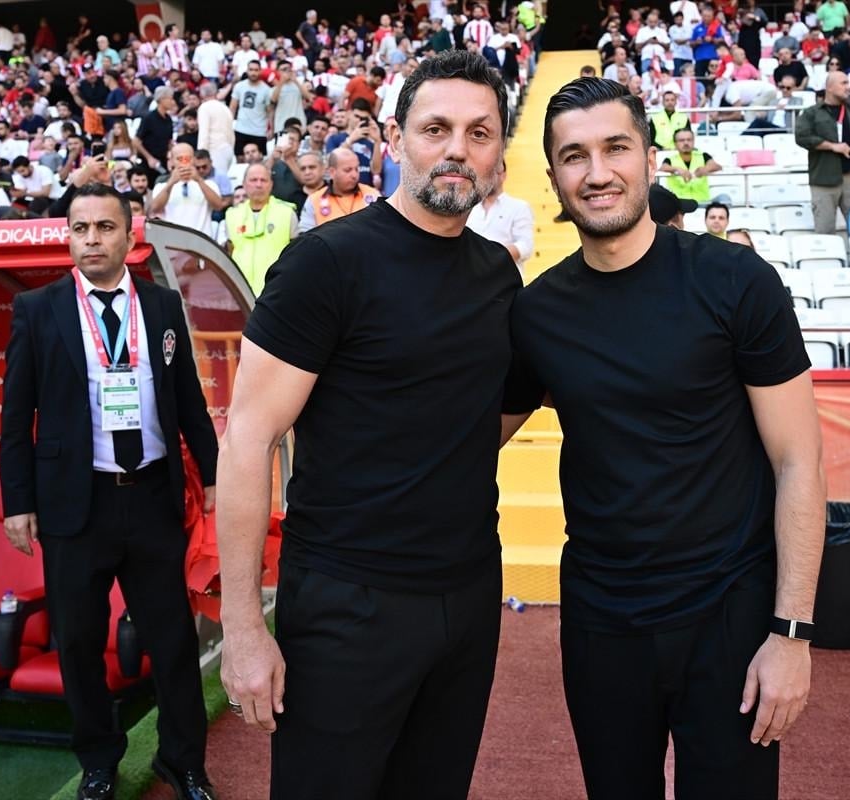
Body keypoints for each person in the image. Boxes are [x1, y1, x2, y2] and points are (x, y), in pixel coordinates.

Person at [501, 77, 823, 800]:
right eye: (575, 156)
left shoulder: (736, 281)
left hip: (729, 613)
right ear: (552, 178)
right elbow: (469, 434)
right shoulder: (538, 313)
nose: (597, 172)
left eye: (615, 148)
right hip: (601, 621)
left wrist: (792, 635)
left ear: (650, 159)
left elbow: (798, 460)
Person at [216, 49, 519, 800]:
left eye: (479, 133)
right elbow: (249, 439)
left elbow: (488, 414)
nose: (458, 149)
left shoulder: (497, 273)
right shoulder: (325, 263)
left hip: (469, 595)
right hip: (348, 601)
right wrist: (244, 627)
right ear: (395, 139)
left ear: (499, 152)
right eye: (437, 129)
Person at [0, 182, 218, 800]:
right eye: (80, 229)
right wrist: (18, 502)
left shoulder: (162, 307)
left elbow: (189, 402)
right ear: (68, 237)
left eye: (104, 227)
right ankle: (99, 761)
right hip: (75, 505)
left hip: (151, 499)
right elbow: (15, 416)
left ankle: (183, 761)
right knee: (78, 642)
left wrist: (217, 477)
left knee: (173, 641)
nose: (91, 239)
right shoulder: (37, 309)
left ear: (128, 235)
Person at [795, 71, 850, 235]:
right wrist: (832, 146)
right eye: (843, 83)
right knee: (825, 229)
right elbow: (801, 137)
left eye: (848, 83)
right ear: (829, 87)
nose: (848, 87)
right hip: (824, 178)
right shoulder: (811, 113)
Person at [225, 162, 297, 296]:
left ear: (271, 184)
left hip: (277, 291)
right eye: (253, 180)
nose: (258, 185)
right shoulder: (232, 215)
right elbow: (230, 250)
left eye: (263, 180)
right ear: (244, 184)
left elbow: (295, 253)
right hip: (240, 292)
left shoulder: (287, 213)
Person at [466, 160, 535, 276]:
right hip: (472, 276)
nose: (490, 176)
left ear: (503, 175)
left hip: (506, 277)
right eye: (486, 172)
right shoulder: (469, 208)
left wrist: (492, 258)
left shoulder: (519, 207)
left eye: (495, 171)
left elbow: (525, 246)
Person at [297, 148, 380, 233]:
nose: (354, 175)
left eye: (356, 169)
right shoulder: (314, 201)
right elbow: (305, 236)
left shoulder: (373, 195)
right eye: (348, 170)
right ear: (332, 172)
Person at [149, 143, 226, 234]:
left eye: (188, 158)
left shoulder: (209, 184)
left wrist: (199, 180)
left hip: (201, 238)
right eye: (180, 159)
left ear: (194, 160)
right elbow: (155, 209)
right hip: (173, 238)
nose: (184, 162)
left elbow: (218, 206)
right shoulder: (161, 186)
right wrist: (171, 183)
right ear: (172, 161)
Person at [658, 128, 720, 206]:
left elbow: (716, 166)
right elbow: (663, 168)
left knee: (724, 198)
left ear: (693, 141)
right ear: (675, 143)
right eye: (681, 140)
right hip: (680, 203)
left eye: (689, 140)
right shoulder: (670, 159)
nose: (686, 143)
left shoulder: (703, 156)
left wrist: (705, 169)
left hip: (702, 202)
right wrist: (677, 169)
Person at [231, 60, 273, 157]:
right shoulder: (239, 86)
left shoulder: (266, 90)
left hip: (259, 131)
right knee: (240, 158)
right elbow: (232, 107)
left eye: (256, 70)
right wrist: (229, 125)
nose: (253, 73)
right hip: (241, 129)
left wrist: (271, 129)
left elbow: (270, 111)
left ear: (260, 71)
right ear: (247, 70)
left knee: (260, 160)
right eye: (251, 70)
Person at [197, 82, 235, 177]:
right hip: (228, 149)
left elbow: (204, 132)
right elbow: (231, 133)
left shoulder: (204, 107)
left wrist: (200, 154)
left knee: (215, 181)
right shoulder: (225, 108)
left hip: (214, 150)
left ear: (202, 94)